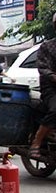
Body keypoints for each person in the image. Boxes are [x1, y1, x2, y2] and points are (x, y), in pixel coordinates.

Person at [30, 12, 56, 159]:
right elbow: (42, 67)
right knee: (55, 109)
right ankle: (36, 142)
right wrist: (53, 76)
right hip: (51, 89)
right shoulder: (47, 46)